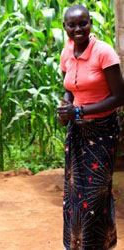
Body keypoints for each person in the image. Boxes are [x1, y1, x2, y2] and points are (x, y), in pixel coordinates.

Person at [57, 4, 124, 250]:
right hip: (77, 131)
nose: (78, 29)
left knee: (96, 194)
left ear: (90, 24)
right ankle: (75, 245)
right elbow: (67, 87)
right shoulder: (67, 51)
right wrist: (65, 108)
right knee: (74, 193)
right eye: (72, 25)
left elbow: (119, 97)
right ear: (64, 27)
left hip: (103, 131)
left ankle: (96, 245)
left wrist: (80, 111)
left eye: (83, 23)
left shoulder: (104, 53)